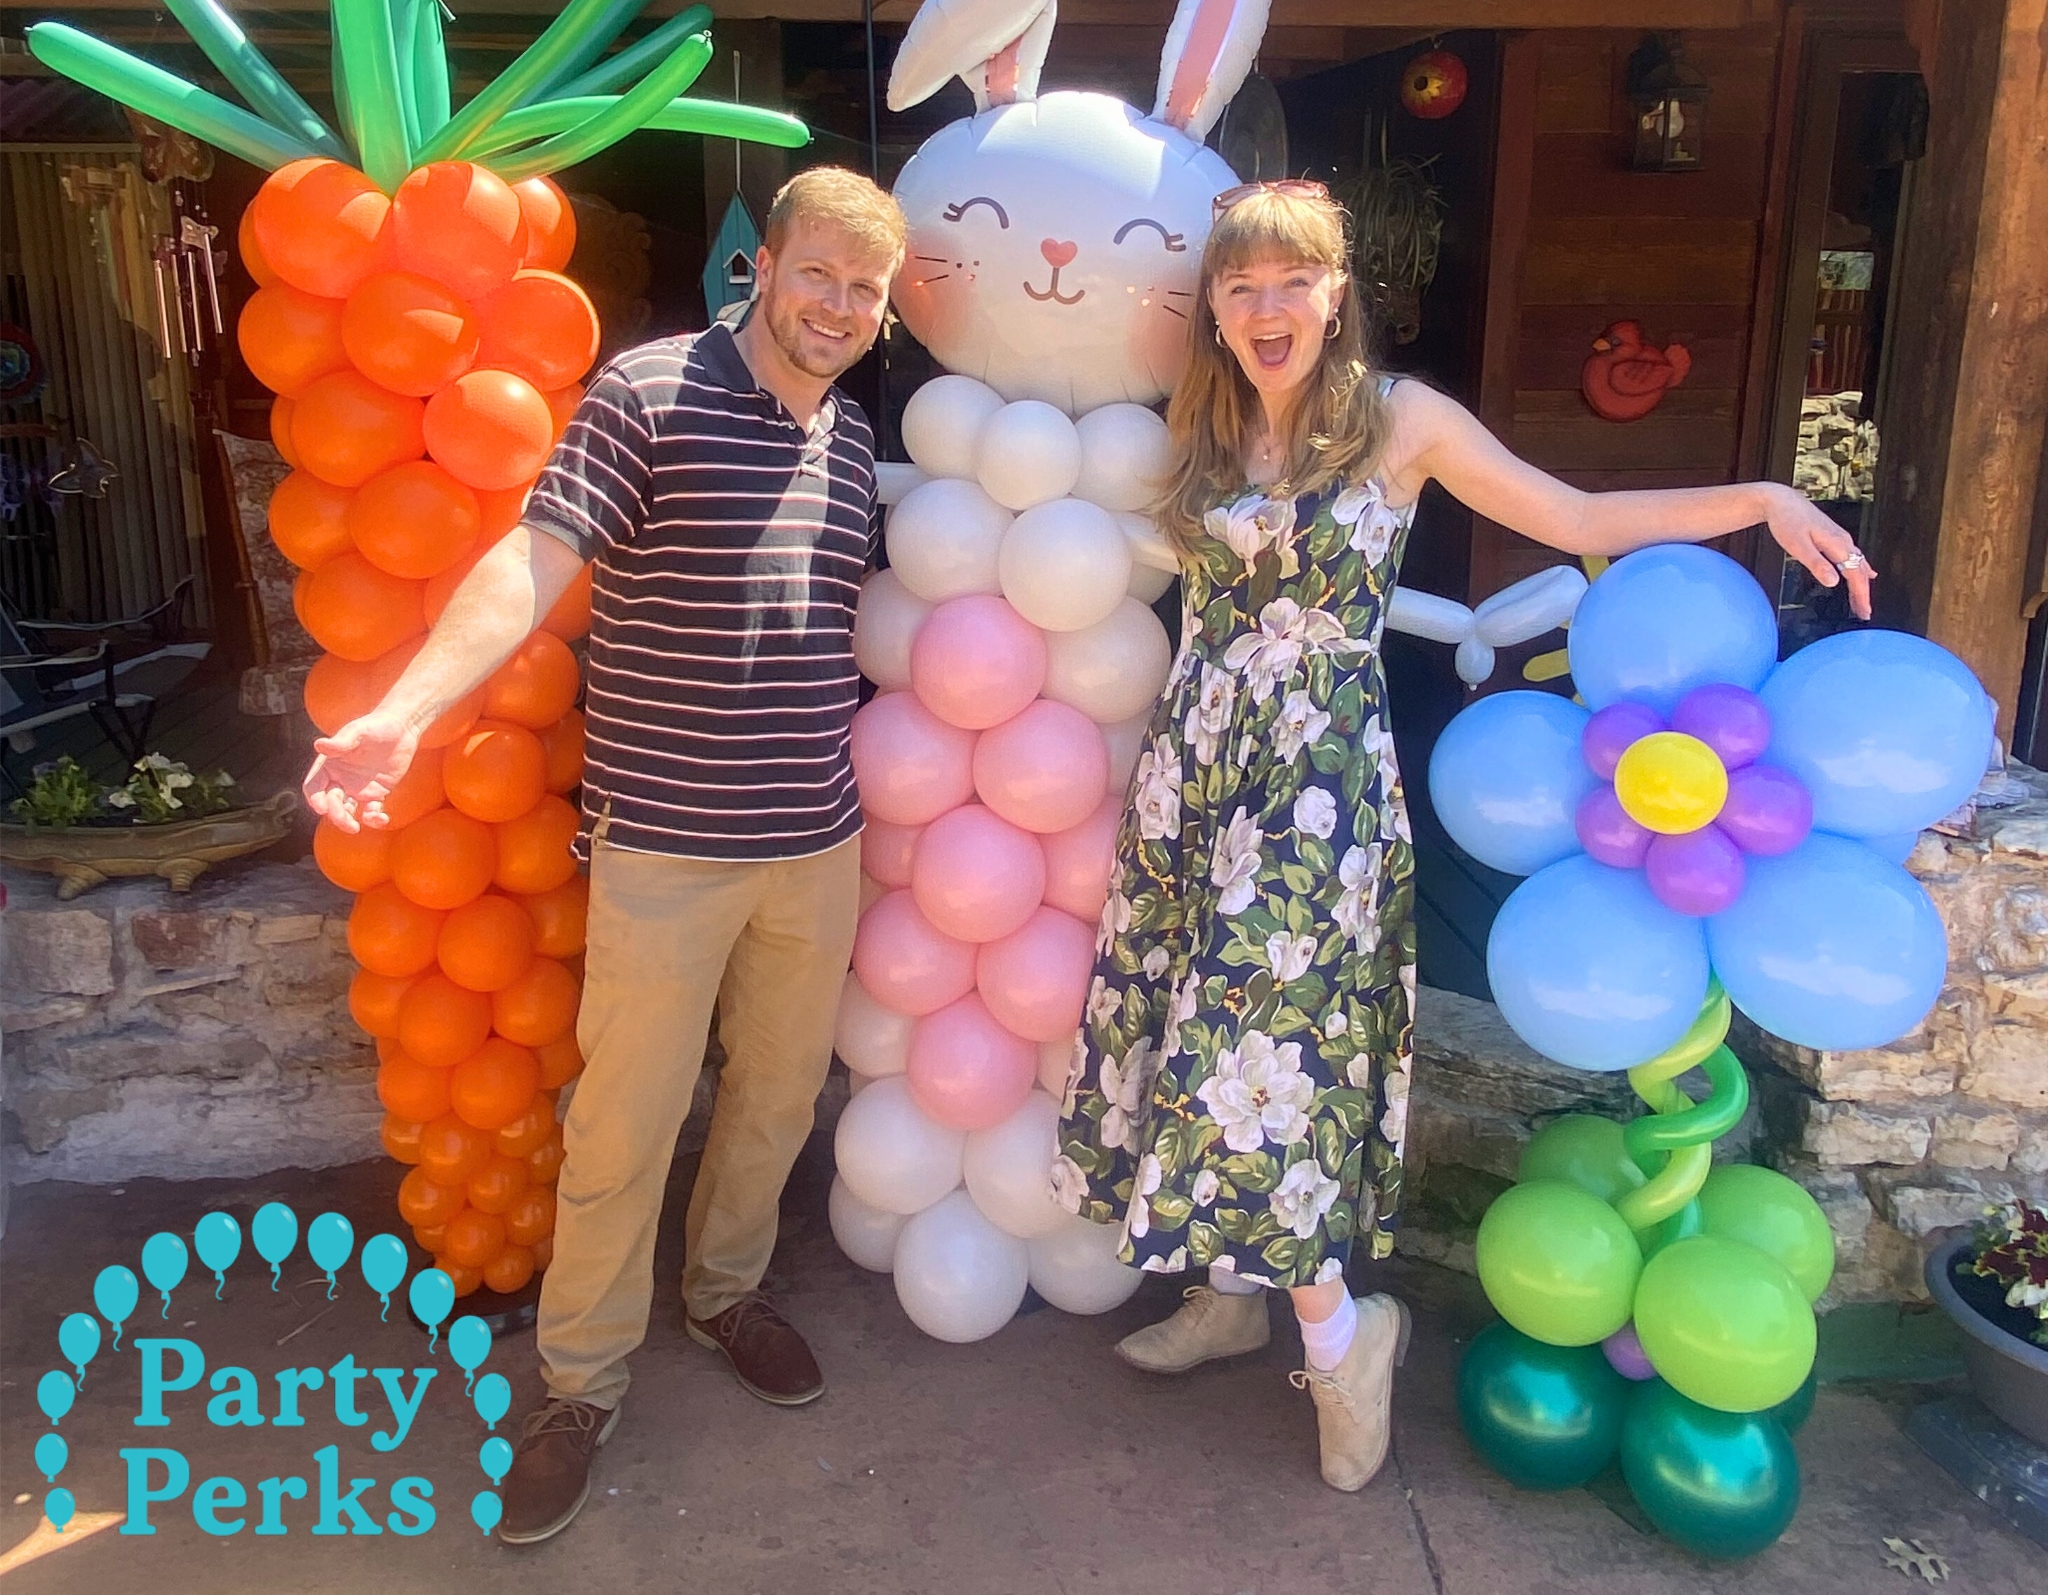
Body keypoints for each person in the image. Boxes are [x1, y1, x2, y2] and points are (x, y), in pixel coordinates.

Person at [1054, 184, 1871, 1494]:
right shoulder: (1200, 426)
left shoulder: (1397, 420)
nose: (1268, 309)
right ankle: (1226, 1293)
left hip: (1316, 792)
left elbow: (1585, 520)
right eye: (1241, 285)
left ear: (1337, 291)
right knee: (1187, 1018)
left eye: (1292, 281)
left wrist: (1764, 496)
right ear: (1211, 304)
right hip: (1197, 771)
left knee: (1262, 1043)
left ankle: (1343, 1340)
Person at [303, 166, 908, 1545]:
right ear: (762, 267)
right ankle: (577, 1383)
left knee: (772, 1098)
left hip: (814, 843)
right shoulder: (645, 396)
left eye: (864, 290)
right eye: (817, 273)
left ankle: (723, 1291)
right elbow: (535, 555)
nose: (837, 305)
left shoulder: (854, 441)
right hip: (668, 852)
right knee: (621, 1127)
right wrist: (403, 712)